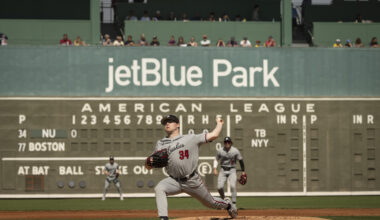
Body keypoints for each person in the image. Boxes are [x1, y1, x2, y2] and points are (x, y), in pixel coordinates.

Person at [146, 115, 238, 220]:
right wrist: (148, 163)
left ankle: (228, 205)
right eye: (165, 122)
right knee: (159, 188)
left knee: (212, 203)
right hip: (174, 181)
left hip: (192, 180)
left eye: (170, 121)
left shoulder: (190, 138)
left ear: (178, 125)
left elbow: (214, 135)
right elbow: (149, 165)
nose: (167, 124)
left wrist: (219, 124)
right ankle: (163, 218)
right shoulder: (160, 143)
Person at [214, 137, 245, 205]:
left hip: (232, 170)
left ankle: (234, 204)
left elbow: (240, 160)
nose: (227, 143)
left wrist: (243, 171)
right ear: (224, 143)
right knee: (219, 187)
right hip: (223, 170)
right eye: (225, 142)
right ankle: (224, 201)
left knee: (233, 186)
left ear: (231, 143)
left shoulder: (235, 151)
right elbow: (216, 159)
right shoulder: (220, 150)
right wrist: (215, 168)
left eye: (228, 142)